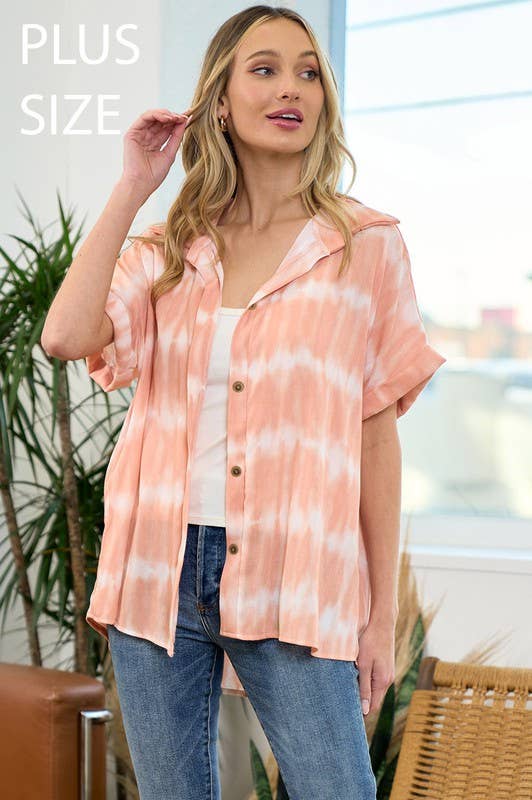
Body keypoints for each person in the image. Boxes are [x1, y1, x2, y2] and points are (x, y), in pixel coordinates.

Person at [41, 5, 446, 799]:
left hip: (295, 570)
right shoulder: (169, 249)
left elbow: (375, 435)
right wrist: (134, 186)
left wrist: (375, 618)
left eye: (308, 72)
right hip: (156, 563)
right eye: (264, 69)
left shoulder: (364, 246)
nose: (291, 87)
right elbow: (65, 335)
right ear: (219, 102)